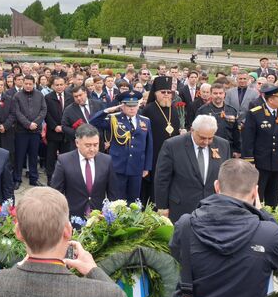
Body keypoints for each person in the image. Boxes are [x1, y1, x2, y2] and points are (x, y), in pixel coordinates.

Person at [0, 187, 145, 297]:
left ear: (18, 232)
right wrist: (94, 270)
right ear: (68, 231)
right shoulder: (105, 296)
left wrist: (17, 268)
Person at [169, 159, 278, 297]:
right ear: (255, 192)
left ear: (217, 186)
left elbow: (179, 256)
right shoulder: (268, 234)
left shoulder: (186, 225)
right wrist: (265, 216)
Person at [155, 115, 231, 223]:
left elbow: (225, 178)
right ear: (192, 130)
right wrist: (162, 207)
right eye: (202, 138)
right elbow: (162, 179)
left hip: (212, 209)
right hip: (181, 209)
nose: (206, 142)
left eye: (210, 138)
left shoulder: (223, 145)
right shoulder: (172, 145)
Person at [91, 91, 152, 203]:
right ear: (122, 106)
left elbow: (149, 145)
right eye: (128, 106)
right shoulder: (114, 119)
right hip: (118, 166)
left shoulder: (145, 121)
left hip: (137, 166)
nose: (132, 108)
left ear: (139, 105)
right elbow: (93, 122)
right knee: (117, 200)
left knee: (134, 201)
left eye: (134, 105)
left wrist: (147, 167)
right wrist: (107, 111)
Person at [50, 124, 116, 220]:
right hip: (73, 218)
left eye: (95, 145)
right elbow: (56, 193)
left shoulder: (106, 160)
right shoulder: (64, 161)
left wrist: (110, 215)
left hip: (99, 220)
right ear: (77, 143)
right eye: (88, 145)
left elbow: (113, 193)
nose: (92, 149)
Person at [242, 83, 278, 207]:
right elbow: (248, 139)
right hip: (261, 160)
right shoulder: (255, 113)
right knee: (258, 194)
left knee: (274, 195)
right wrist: (249, 160)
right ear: (270, 99)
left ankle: (271, 218)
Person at [140, 76, 181, 205]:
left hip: (172, 155)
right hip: (154, 155)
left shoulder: (173, 109)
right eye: (163, 92)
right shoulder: (148, 109)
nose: (167, 95)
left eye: (169, 92)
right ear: (156, 93)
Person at [12, 75, 47, 189]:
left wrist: (35, 123)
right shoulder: (17, 96)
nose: (27, 86)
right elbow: (17, 112)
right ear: (23, 83)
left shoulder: (40, 95)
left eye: (30, 84)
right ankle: (17, 179)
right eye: (25, 83)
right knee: (19, 156)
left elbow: (43, 110)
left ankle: (34, 178)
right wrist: (28, 124)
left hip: (35, 131)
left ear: (34, 84)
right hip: (21, 131)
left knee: (33, 156)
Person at [196, 83, 241, 156]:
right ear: (210, 94)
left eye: (220, 93)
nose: (218, 96)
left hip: (227, 148)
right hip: (207, 148)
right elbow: (197, 131)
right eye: (215, 93)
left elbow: (236, 133)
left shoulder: (232, 111)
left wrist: (237, 150)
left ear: (224, 94)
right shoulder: (202, 111)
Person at [44, 76, 72, 184]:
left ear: (65, 85)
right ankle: (50, 178)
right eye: (57, 85)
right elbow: (46, 114)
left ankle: (64, 177)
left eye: (61, 84)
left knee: (65, 157)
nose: (59, 87)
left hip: (66, 133)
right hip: (53, 132)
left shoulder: (70, 97)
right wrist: (54, 126)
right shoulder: (48, 97)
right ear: (53, 86)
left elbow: (71, 113)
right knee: (50, 157)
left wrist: (65, 126)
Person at [61, 85, 105, 151]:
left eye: (80, 95)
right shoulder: (69, 110)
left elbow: (105, 121)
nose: (78, 98)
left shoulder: (98, 104)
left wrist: (107, 140)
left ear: (85, 93)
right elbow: (64, 127)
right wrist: (79, 134)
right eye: (76, 97)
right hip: (80, 146)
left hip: (98, 143)